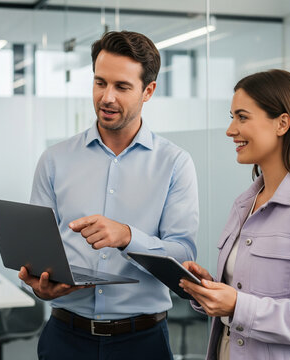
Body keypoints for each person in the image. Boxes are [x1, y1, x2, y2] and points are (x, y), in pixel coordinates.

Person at [19, 31, 199, 360]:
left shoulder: (174, 163)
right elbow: (37, 249)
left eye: (122, 86)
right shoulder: (55, 159)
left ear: (148, 91)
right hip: (64, 338)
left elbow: (183, 253)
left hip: (142, 342)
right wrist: (39, 284)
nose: (107, 97)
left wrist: (128, 236)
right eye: (100, 82)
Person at [180, 69, 290, 360]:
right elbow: (245, 293)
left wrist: (238, 306)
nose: (230, 129)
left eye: (242, 117)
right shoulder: (245, 203)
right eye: (231, 117)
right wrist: (210, 290)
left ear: (282, 123)